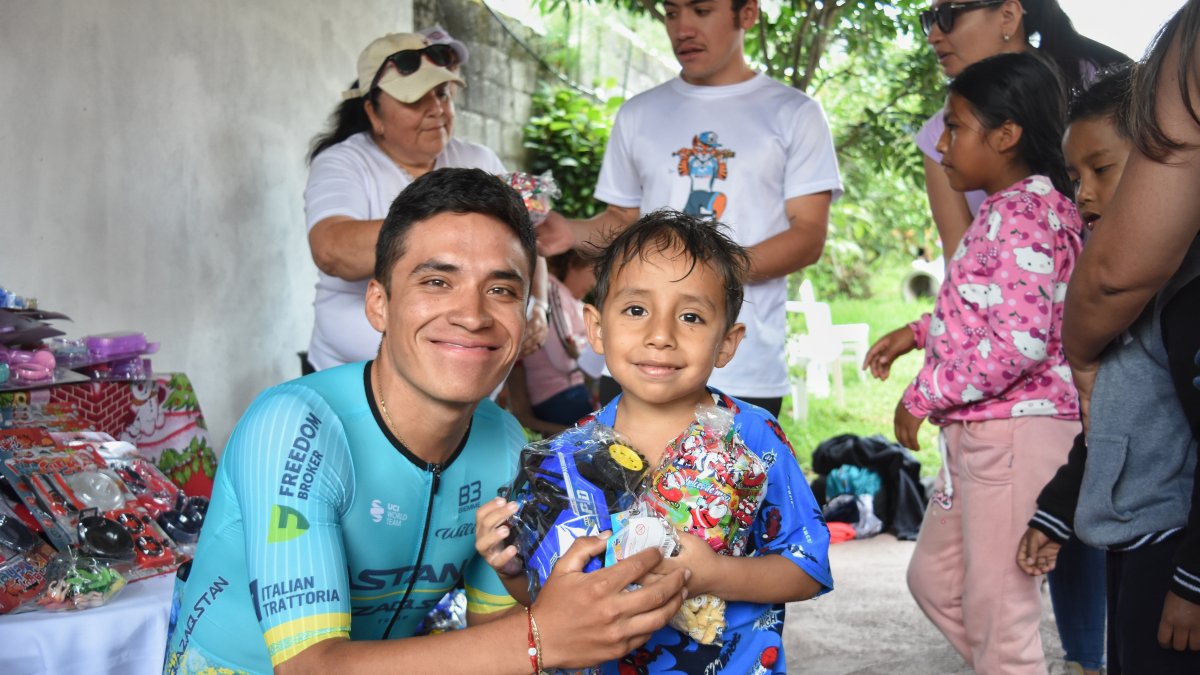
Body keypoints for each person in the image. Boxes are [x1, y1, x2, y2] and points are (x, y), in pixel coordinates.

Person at [163, 169, 688, 674]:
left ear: (528, 316)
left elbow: (493, 629)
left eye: (502, 290)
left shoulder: (503, 440)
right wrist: (542, 636)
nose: (472, 314)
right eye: (437, 281)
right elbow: (309, 668)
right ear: (379, 304)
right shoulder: (294, 427)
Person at [477, 210, 833, 673]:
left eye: (690, 316)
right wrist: (512, 568)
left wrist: (715, 575)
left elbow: (807, 568)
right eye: (636, 310)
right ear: (597, 328)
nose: (660, 336)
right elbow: (550, 597)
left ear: (727, 342)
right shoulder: (569, 456)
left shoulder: (752, 437)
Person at [863, 52, 1084, 673]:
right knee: (936, 583)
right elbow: (993, 310)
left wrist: (922, 394)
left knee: (1000, 614)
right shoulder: (1004, 209)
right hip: (981, 435)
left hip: (1016, 435)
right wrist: (916, 332)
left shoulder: (1026, 215)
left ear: (1007, 134)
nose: (942, 143)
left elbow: (1018, 344)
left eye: (955, 126)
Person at [537, 0, 841, 418]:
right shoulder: (638, 114)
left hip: (741, 367)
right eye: (673, 12)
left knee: (735, 485)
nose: (683, 29)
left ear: (747, 14)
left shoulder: (794, 114)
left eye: (701, 11)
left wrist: (704, 274)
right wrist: (568, 232)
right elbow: (621, 224)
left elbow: (807, 236)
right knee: (626, 482)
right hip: (638, 358)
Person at [1019, 2, 1200, 669]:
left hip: (1175, 546)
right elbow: (1109, 426)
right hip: (1130, 542)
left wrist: (1194, 579)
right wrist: (1058, 512)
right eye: (1074, 177)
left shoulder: (1182, 293)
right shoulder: (1112, 294)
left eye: (1105, 169)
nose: (1084, 194)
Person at [303, 31, 547, 372]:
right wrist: (459, 221)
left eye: (442, 94)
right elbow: (332, 250)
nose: (436, 110)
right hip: (351, 375)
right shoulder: (345, 162)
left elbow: (526, 242)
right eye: (416, 99)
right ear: (373, 112)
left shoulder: (478, 158)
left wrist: (538, 304)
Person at [916, 0, 1127, 259]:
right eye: (929, 19)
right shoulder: (937, 134)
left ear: (1008, 15)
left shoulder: (1092, 81)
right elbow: (961, 262)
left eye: (947, 16)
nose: (933, 37)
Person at [506, 250, 597, 435]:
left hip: (570, 393)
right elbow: (563, 361)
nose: (595, 282)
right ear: (575, 263)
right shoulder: (552, 290)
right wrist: (585, 352)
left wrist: (582, 349)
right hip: (558, 396)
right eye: (595, 270)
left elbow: (594, 349)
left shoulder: (569, 299)